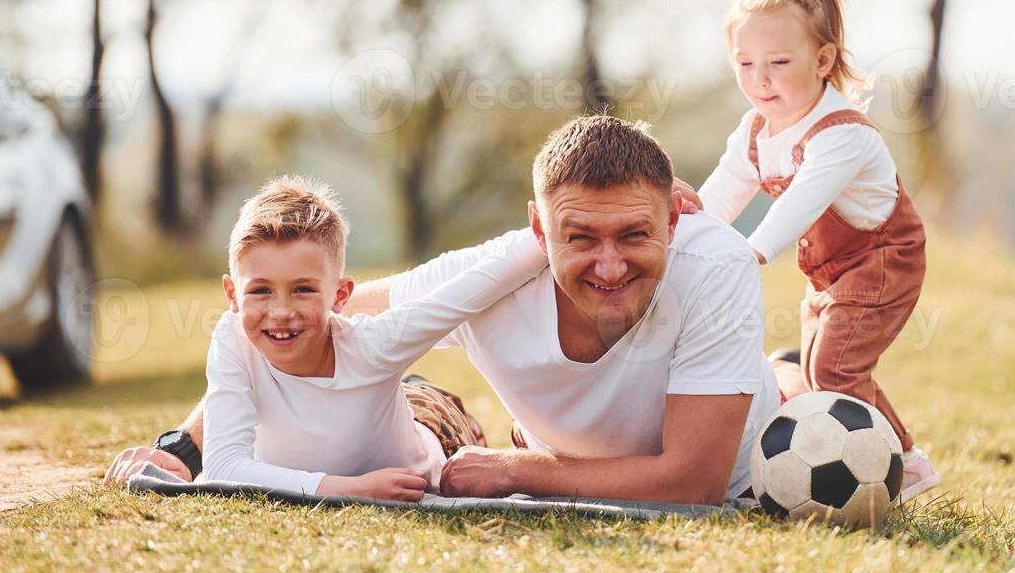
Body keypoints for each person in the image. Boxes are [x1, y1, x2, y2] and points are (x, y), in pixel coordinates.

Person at [106, 116, 781, 505]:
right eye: (580, 238)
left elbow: (692, 481)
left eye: (635, 235)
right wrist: (183, 449)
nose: (610, 265)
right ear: (538, 230)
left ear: (672, 215)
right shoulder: (489, 278)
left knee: (788, 387)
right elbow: (290, 323)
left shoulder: (713, 264)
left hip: (742, 471)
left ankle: (792, 375)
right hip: (557, 444)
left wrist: (521, 471)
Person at [677, 0, 940, 503]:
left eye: (778, 63)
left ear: (822, 61)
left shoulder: (842, 130)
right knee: (819, 363)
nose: (760, 79)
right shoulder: (755, 130)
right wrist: (683, 236)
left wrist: (752, 250)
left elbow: (803, 200)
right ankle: (866, 453)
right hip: (829, 268)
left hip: (883, 258)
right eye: (744, 64)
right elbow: (724, 190)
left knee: (835, 367)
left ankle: (904, 462)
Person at [198, 175, 545, 499]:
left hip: (435, 428)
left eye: (303, 289)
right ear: (232, 294)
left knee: (445, 430)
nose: (281, 311)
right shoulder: (233, 338)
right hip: (378, 426)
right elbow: (223, 466)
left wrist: (555, 232)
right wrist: (351, 488)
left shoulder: (374, 343)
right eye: (260, 291)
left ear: (340, 295)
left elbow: (474, 287)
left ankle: (428, 397)